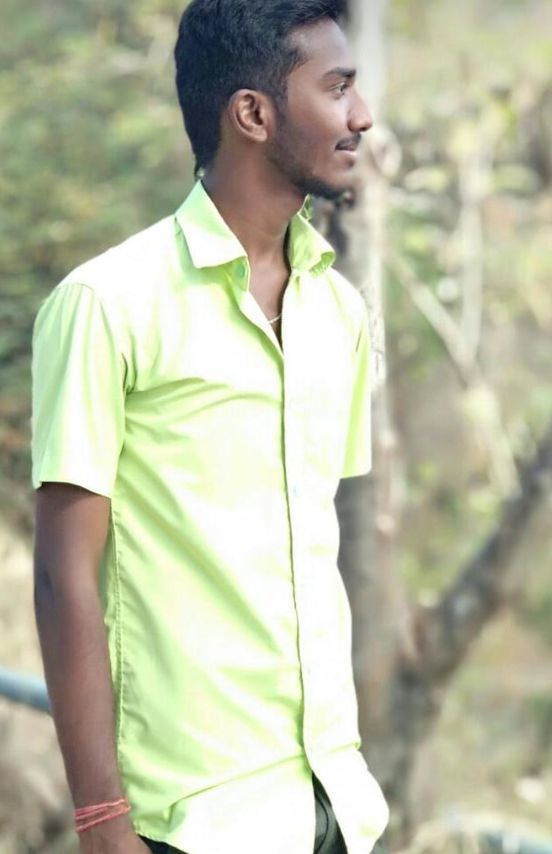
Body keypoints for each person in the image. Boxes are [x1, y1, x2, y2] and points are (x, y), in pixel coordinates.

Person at [31, 0, 389, 852]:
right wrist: (100, 819)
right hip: (191, 822)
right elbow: (62, 574)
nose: (363, 116)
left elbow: (312, 551)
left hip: (335, 808)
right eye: (337, 88)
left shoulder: (341, 312)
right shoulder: (107, 304)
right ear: (253, 114)